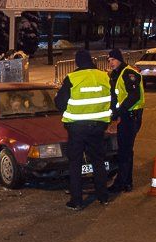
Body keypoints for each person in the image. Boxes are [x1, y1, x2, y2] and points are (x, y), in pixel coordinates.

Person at [54, 49, 113, 211]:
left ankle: (77, 201)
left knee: (75, 164)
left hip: (77, 129)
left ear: (78, 62)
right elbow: (113, 100)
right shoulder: (104, 77)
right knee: (98, 162)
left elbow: (59, 103)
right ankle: (103, 196)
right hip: (98, 127)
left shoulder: (73, 78)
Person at [106, 49, 145, 193]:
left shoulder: (129, 73)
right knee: (125, 150)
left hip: (131, 116)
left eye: (113, 60)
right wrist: (113, 117)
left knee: (125, 151)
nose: (110, 63)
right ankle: (126, 181)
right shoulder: (116, 75)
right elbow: (115, 97)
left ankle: (122, 183)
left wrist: (119, 112)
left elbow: (134, 96)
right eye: (109, 60)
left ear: (120, 59)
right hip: (125, 116)